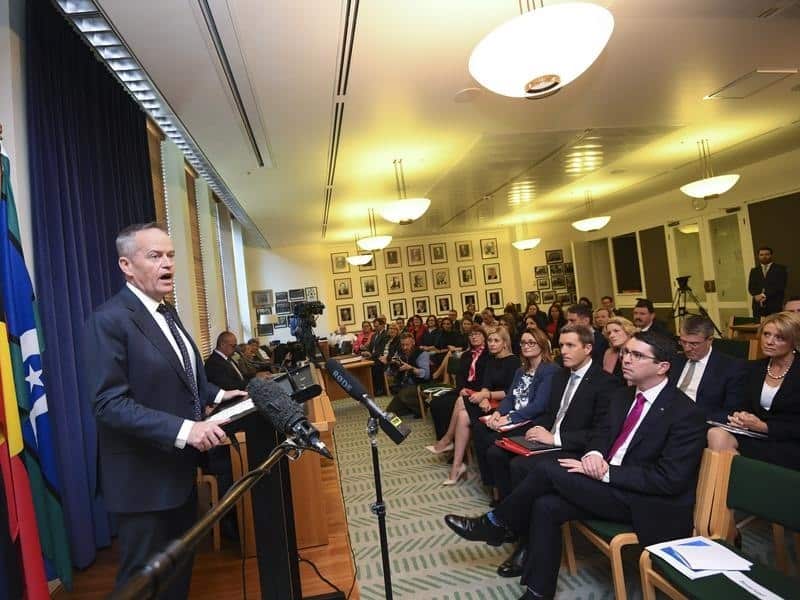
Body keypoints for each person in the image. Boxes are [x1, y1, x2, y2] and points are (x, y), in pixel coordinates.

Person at [444, 331, 707, 599]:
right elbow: (601, 436)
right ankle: (539, 592)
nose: (626, 359)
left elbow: (669, 480)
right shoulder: (624, 396)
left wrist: (606, 472)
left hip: (645, 501)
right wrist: (593, 454)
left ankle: (496, 522)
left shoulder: (686, 413)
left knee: (545, 469)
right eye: (626, 352)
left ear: (662, 367)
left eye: (636, 355)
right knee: (545, 505)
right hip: (609, 485)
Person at [85, 223, 247, 597]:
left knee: (176, 577)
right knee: (142, 585)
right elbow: (108, 403)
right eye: (154, 256)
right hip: (141, 481)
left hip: (177, 473)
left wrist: (221, 395)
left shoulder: (167, 312)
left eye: (171, 255)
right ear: (126, 265)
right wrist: (185, 429)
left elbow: (184, 375)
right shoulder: (108, 320)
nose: (168, 264)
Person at [488, 323, 620, 576]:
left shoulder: (606, 383)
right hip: (551, 438)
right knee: (500, 450)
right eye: (562, 346)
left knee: (520, 467)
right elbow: (549, 413)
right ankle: (514, 529)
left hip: (574, 448)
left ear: (589, 348)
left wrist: (554, 438)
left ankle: (520, 539)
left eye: (571, 346)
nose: (564, 351)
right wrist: (536, 430)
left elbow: (598, 433)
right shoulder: (561, 375)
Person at [707, 311, 800, 470]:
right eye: (766, 334)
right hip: (756, 434)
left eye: (779, 337)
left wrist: (764, 427)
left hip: (790, 440)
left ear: (793, 341)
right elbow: (746, 405)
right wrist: (741, 417)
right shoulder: (755, 368)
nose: (769, 341)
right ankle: (730, 489)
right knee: (716, 434)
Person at [483, 328, 560, 502]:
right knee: (489, 439)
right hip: (515, 417)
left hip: (533, 421)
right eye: (523, 342)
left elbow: (539, 405)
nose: (526, 346)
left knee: (493, 446)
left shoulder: (550, 370)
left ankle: (508, 498)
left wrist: (508, 418)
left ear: (542, 344)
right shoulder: (521, 370)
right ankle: (504, 496)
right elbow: (510, 397)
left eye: (531, 342)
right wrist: (498, 413)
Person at [673, 315, 747, 421]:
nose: (687, 348)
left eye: (694, 344)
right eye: (683, 342)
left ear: (710, 340)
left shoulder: (731, 367)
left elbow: (731, 412)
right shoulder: (675, 360)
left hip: (701, 423)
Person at [428, 328, 490, 441]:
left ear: (484, 337)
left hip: (478, 392)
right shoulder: (466, 355)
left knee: (447, 406)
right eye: (471, 335)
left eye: (477, 334)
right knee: (435, 403)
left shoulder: (489, 354)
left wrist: (477, 392)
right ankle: (444, 440)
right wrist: (461, 388)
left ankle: (454, 441)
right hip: (463, 389)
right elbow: (460, 375)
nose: (474, 337)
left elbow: (488, 378)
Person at [385, 333, 431, 417]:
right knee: (390, 411)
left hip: (418, 384)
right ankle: (412, 407)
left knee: (404, 395)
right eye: (403, 345)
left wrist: (411, 368)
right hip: (403, 384)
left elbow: (426, 375)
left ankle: (422, 408)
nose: (405, 347)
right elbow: (390, 373)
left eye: (407, 345)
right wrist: (391, 364)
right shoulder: (400, 353)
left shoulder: (422, 354)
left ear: (413, 342)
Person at [748, 246, 788, 318]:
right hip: (758, 306)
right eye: (761, 255)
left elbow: (780, 286)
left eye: (767, 254)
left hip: (774, 305)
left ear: (771, 255)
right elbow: (751, 287)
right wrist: (755, 295)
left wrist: (763, 295)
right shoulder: (754, 270)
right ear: (758, 256)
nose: (764, 257)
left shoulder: (780, 269)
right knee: (759, 327)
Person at [602, 316, 637, 382]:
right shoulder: (609, 353)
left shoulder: (639, 352)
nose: (611, 335)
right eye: (609, 333)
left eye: (616, 331)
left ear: (628, 331)